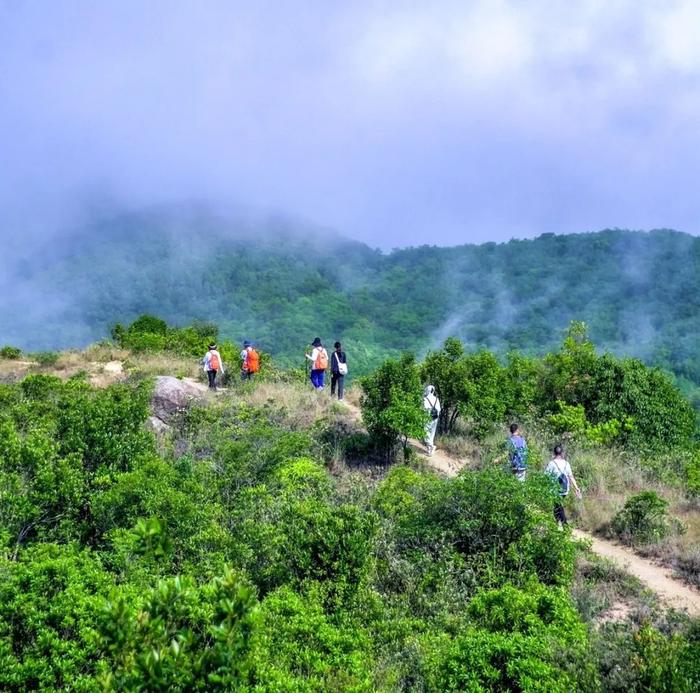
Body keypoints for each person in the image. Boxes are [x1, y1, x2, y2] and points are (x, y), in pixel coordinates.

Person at [545, 444, 582, 528]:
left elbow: (546, 476)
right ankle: (559, 525)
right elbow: (571, 477)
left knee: (557, 506)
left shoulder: (552, 463)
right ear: (562, 453)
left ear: (554, 453)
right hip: (565, 490)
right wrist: (577, 488)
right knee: (557, 506)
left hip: (554, 489)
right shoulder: (566, 463)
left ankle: (564, 524)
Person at [423, 385, 441, 455]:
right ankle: (429, 450)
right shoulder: (437, 399)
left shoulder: (425, 399)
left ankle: (432, 446)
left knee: (426, 433)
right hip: (435, 418)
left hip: (427, 418)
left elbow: (424, 409)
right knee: (432, 433)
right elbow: (439, 409)